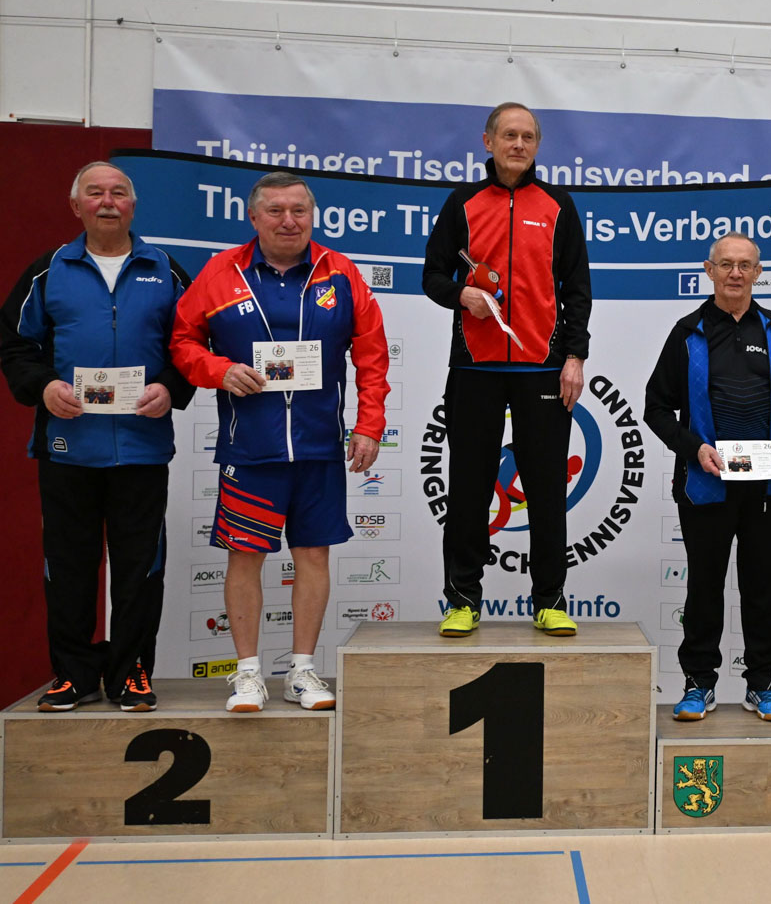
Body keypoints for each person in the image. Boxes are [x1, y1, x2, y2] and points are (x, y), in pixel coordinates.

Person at [171, 171, 389, 712]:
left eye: (299, 210)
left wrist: (369, 425)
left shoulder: (340, 272)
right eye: (275, 211)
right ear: (253, 217)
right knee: (245, 557)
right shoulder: (221, 272)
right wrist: (219, 370)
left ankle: (302, 671)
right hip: (251, 446)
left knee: (313, 555)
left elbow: (372, 355)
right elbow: (182, 341)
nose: (289, 221)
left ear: (312, 216)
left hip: (318, 446)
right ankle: (247, 674)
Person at [1, 161, 193, 712]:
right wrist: (43, 387)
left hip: (141, 447)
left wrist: (170, 386)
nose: (107, 201)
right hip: (68, 448)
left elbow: (193, 343)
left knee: (140, 569)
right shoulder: (48, 271)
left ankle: (131, 672)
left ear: (133, 205)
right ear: (76, 206)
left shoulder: (166, 270)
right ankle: (73, 675)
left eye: (118, 193)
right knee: (68, 567)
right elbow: (14, 344)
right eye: (95, 193)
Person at [422, 102, 592, 638]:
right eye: (509, 135)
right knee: (469, 485)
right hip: (475, 366)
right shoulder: (463, 202)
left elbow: (578, 289)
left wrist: (574, 356)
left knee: (547, 487)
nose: (518, 145)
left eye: (528, 137)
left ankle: (549, 599)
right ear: (488, 141)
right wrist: (462, 294)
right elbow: (432, 275)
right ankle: (462, 599)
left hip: (542, 366)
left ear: (537, 145)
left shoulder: (559, 205)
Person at [644, 233, 771, 721]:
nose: (735, 273)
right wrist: (693, 449)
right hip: (706, 485)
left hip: (767, 486)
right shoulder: (687, 332)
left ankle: (763, 684)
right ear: (710, 270)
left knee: (764, 588)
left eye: (744, 265)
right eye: (726, 264)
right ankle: (699, 683)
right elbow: (656, 408)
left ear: (758, 272)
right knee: (704, 587)